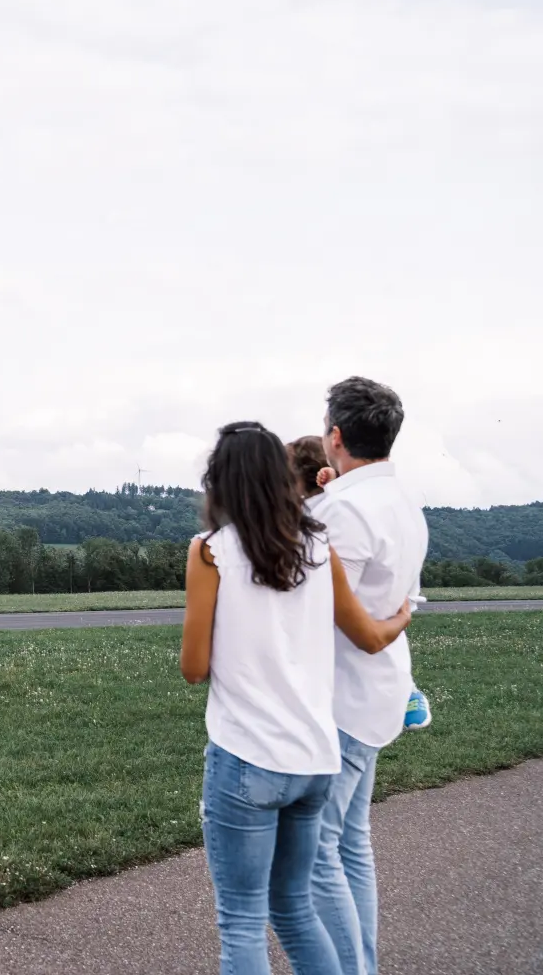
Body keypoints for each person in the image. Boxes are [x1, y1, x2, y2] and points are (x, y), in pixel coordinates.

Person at [181, 420, 412, 975]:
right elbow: (368, 635)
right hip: (314, 757)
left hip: (246, 758)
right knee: (295, 910)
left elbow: (193, 668)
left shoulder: (210, 553)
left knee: (241, 921)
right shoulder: (317, 545)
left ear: (221, 481)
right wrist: (403, 613)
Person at [306, 377, 430, 975]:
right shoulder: (402, 501)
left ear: (335, 435)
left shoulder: (346, 510)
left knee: (317, 854)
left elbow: (320, 603)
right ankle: (364, 963)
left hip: (343, 701)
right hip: (381, 691)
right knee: (352, 842)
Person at [292, 436, 432, 734]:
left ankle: (407, 690)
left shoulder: (325, 512)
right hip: (397, 598)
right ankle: (407, 689)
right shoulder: (385, 502)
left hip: (348, 690)